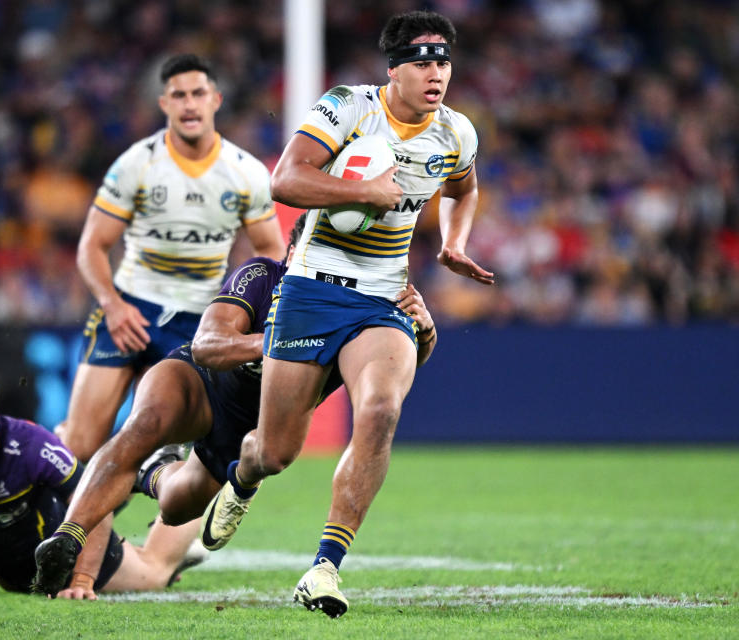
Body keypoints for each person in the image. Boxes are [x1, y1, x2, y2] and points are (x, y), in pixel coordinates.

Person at [198, 10, 495, 618]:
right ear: (394, 69)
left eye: (443, 61)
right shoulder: (347, 108)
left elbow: (463, 189)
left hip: (384, 296)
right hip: (310, 289)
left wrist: (453, 243)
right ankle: (243, 478)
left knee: (382, 409)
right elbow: (286, 181)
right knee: (275, 451)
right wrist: (364, 190)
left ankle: (324, 568)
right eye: (422, 61)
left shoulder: (456, 133)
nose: (435, 73)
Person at [29, 214, 436, 597]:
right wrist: (278, 345)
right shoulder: (262, 275)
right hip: (201, 385)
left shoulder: (366, 305)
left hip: (254, 427)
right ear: (295, 253)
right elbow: (207, 345)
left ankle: (178, 471)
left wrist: (423, 334)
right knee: (144, 424)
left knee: (175, 507)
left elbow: (385, 372)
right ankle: (67, 537)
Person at [60, 53, 285, 462]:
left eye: (197, 93)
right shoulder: (136, 164)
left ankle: (119, 517)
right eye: (178, 95)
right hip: (130, 308)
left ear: (215, 100)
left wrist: (238, 305)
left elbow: (270, 251)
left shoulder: (246, 173)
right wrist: (112, 305)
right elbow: (91, 245)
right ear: (164, 104)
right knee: (79, 445)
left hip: (196, 321)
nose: (188, 104)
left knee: (159, 454)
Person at [0, 365, 203, 600]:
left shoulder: (29, 445)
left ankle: (198, 480)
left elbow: (96, 502)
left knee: (154, 571)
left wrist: (83, 581)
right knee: (79, 478)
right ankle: (131, 475)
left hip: (70, 550)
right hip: (15, 572)